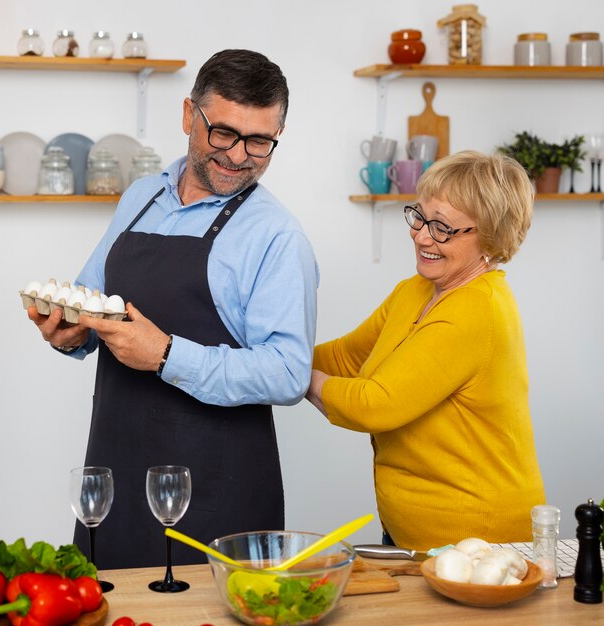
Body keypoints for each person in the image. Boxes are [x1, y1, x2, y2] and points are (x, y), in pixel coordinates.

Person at [28, 49, 319, 569]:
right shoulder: (141, 196)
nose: (238, 155)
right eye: (224, 133)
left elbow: (288, 372)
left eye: (260, 142)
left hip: (217, 489)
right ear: (189, 115)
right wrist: (71, 332)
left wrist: (165, 354)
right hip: (115, 470)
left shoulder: (277, 236)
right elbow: (93, 296)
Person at [306, 151, 545, 550]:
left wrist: (285, 376)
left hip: (480, 541)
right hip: (414, 536)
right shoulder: (413, 291)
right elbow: (347, 357)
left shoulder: (477, 309)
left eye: (442, 228)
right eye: (420, 216)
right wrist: (262, 355)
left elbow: (374, 405)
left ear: (491, 236)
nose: (421, 236)